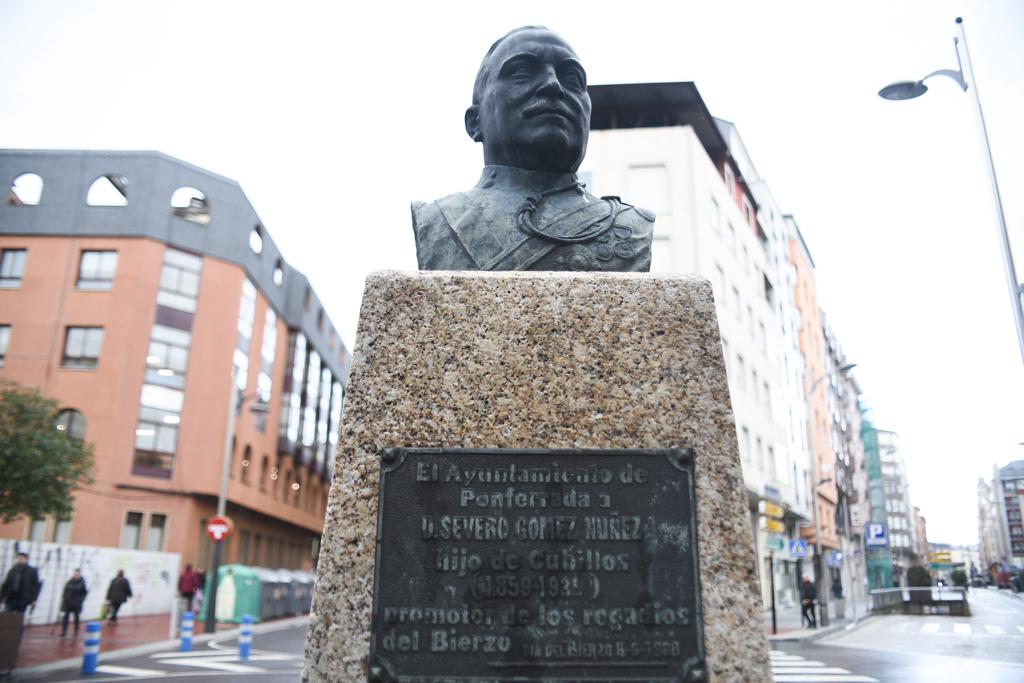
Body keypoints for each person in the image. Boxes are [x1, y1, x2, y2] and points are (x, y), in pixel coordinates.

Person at [412, 26, 654, 272]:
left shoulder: (633, 228)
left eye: (571, 78)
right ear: (475, 122)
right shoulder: (436, 221)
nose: (553, 85)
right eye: (522, 71)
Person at [59, 569, 88, 638]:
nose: (76, 575)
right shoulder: (69, 582)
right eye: (75, 574)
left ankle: (76, 630)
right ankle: (64, 631)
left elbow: (84, 593)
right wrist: (64, 598)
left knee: (76, 617)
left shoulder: (82, 583)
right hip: (68, 603)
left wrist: (80, 600)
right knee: (65, 617)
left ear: (79, 575)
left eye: (77, 574)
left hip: (76, 603)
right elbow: (65, 590)